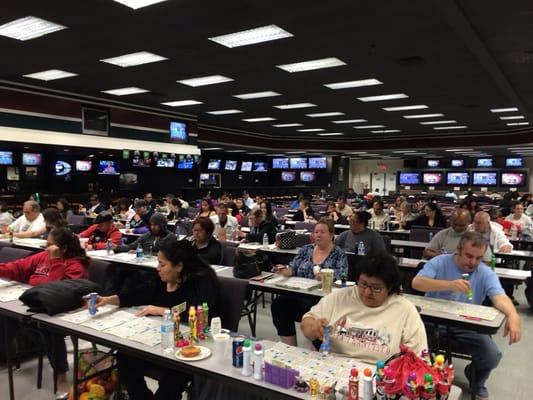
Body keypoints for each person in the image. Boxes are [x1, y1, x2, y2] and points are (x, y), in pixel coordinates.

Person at [96, 240, 218, 400]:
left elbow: (198, 313)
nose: (157, 268)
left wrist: (161, 311)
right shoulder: (161, 279)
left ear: (179, 266)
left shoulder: (200, 281)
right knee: (124, 359)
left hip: (188, 345)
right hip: (157, 341)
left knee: (172, 379)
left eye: (162, 264)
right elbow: (138, 294)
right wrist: (109, 299)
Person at [412, 232, 521, 400]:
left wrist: (513, 314)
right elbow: (417, 283)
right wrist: (449, 285)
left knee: (492, 355)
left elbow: (499, 297)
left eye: (478, 258)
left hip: (464, 326)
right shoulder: (440, 262)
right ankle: (413, 377)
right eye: (469, 256)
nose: (473, 262)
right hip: (430, 322)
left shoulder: (485, 272)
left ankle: (476, 377)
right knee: (405, 340)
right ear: (458, 250)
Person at [0, 227, 89, 396]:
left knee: (48, 328)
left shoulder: (75, 266)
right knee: (4, 315)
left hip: (59, 311)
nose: (46, 248)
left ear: (63, 248)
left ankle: (60, 376)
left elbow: (57, 292)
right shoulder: (43, 256)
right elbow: (18, 267)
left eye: (50, 245)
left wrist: (55, 262)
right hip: (33, 303)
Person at [301, 253, 428, 362]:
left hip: (382, 375)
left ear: (389, 287)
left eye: (376, 288)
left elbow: (418, 358)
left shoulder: (405, 310)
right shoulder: (339, 298)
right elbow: (307, 323)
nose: (367, 292)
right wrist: (313, 326)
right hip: (334, 366)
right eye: (363, 284)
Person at [271, 218, 348, 346]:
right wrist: (285, 270)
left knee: (321, 318)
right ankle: (289, 347)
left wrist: (326, 277)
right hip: (300, 295)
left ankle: (319, 349)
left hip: (321, 300)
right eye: (316, 232)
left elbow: (342, 275)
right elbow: (293, 267)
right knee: (279, 305)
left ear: (331, 235)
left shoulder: (339, 253)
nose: (318, 235)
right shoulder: (305, 249)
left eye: (322, 232)